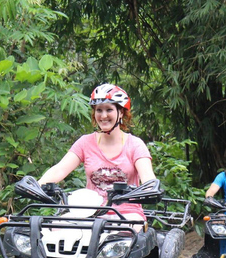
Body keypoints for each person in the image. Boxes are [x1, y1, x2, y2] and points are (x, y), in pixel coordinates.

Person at [37, 83, 156, 223]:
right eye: (99, 110)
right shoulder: (85, 143)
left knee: (126, 234)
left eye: (109, 109)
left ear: (121, 112)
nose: (103, 115)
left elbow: (147, 177)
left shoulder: (135, 145)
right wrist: (36, 186)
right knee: (55, 227)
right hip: (90, 213)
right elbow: (60, 169)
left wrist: (150, 188)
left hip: (127, 214)